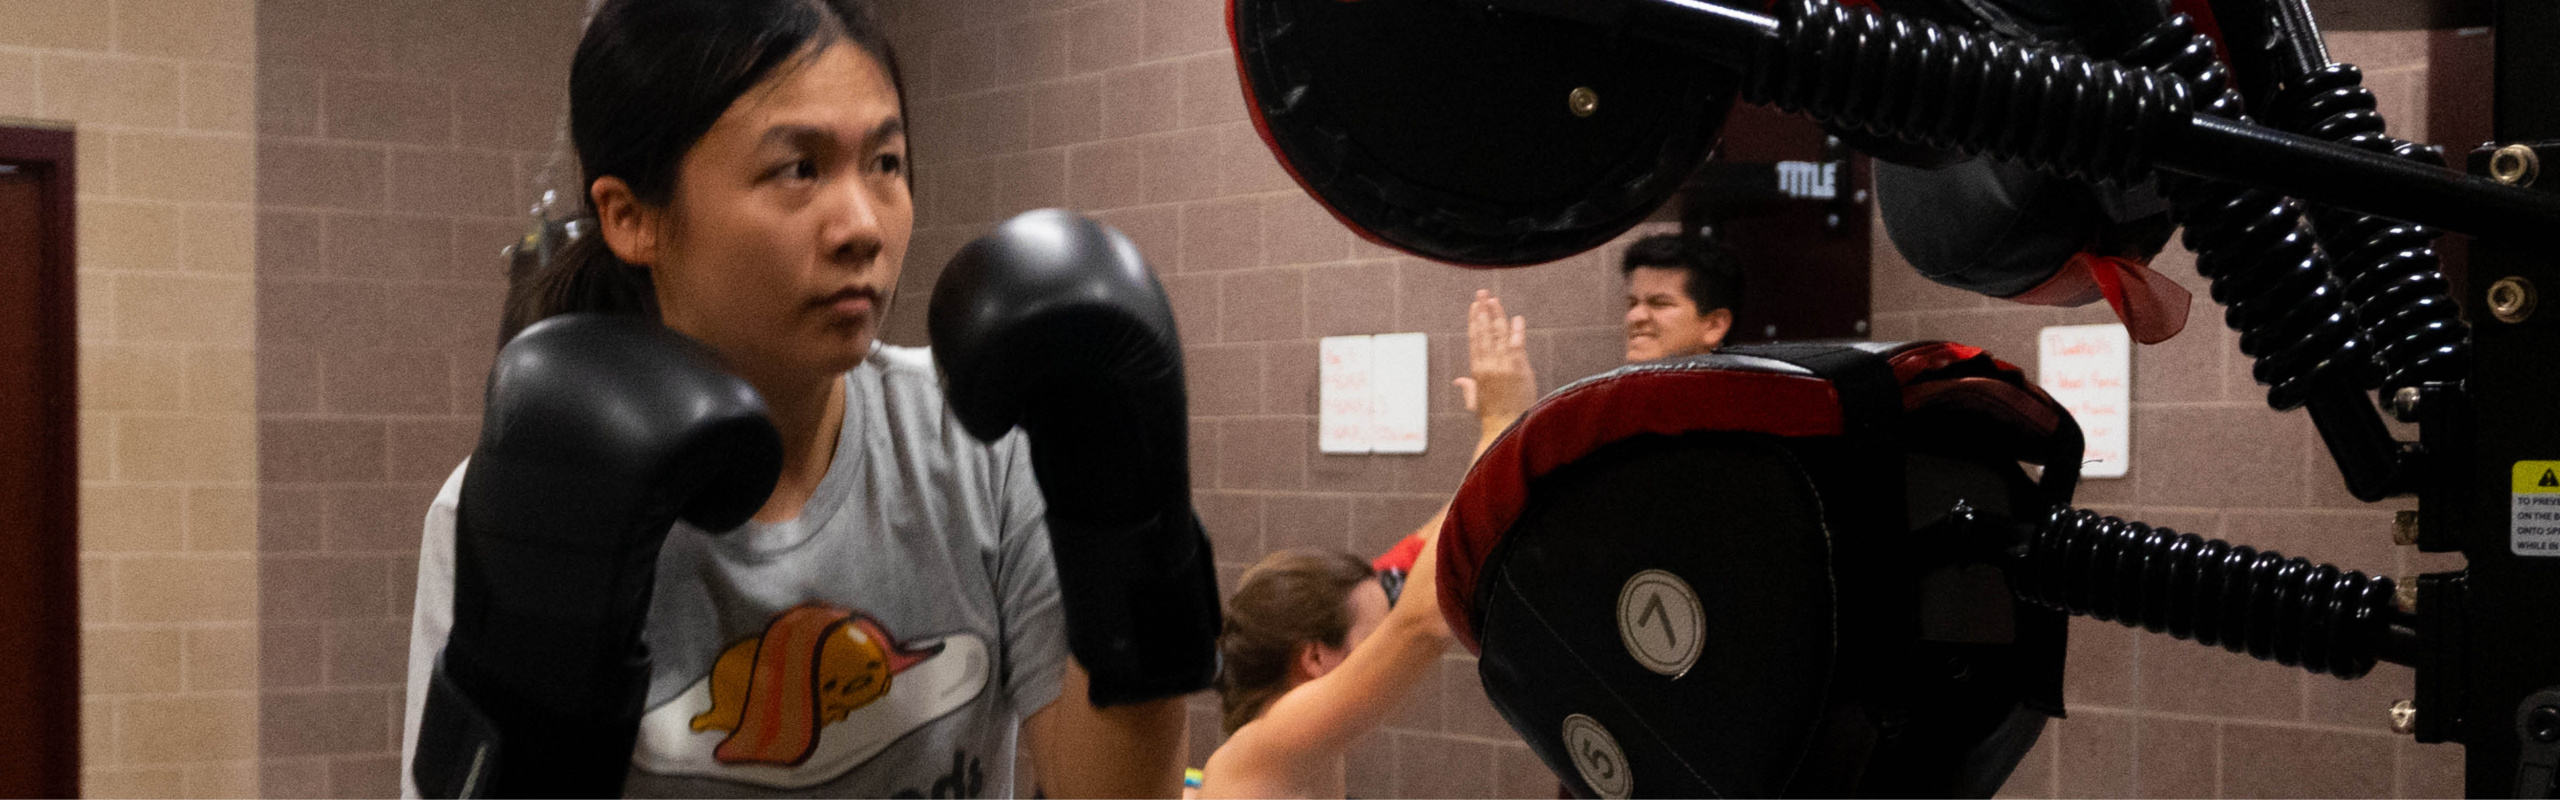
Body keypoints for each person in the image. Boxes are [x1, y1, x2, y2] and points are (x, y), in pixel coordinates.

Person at [399, 1, 1198, 796]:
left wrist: (1129, 529)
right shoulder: (521, 510)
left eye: (885, 162)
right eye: (798, 169)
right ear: (631, 215)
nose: (861, 227)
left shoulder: (982, 453)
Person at [1192, 291, 1529, 799]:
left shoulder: (1297, 734)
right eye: (1374, 636)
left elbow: (1431, 548)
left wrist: (1498, 438)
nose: (1385, 638)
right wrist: (1500, 424)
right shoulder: (1274, 739)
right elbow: (1422, 621)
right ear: (1314, 658)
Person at [1621, 233, 1745, 361]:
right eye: (1632, 304)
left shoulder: (1751, 380)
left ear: (1714, 325)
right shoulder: (1611, 381)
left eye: (1659, 304)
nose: (1634, 316)